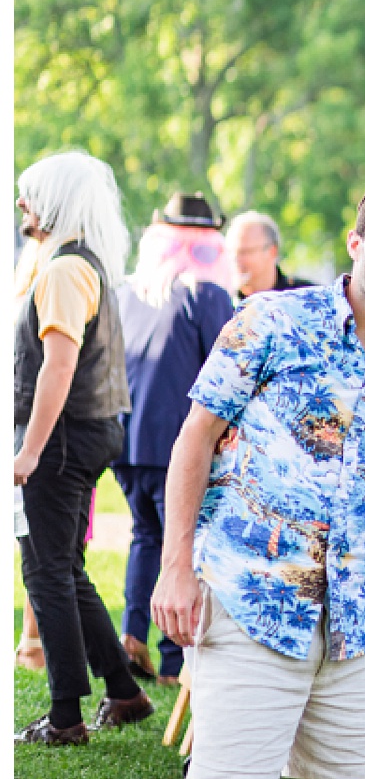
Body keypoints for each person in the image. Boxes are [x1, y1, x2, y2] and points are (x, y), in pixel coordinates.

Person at [150, 182, 365, 779]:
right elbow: (194, 438)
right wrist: (175, 565)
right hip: (250, 598)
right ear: (355, 242)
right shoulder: (272, 319)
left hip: (351, 617)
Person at [13, 151, 150, 746]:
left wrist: (28, 452)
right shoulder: (81, 264)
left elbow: (59, 365)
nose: (22, 203)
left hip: (62, 437)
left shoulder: (66, 269)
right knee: (65, 569)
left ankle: (64, 717)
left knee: (45, 571)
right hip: (87, 433)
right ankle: (124, 693)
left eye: (31, 193)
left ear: (59, 202)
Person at [114, 192, 236, 685]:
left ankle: (132, 636)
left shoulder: (129, 291)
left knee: (145, 536)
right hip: (178, 444)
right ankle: (171, 660)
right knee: (180, 547)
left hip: (127, 440)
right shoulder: (206, 294)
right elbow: (232, 369)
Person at [225, 210, 313, 298]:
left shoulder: (305, 297)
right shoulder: (222, 303)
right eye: (230, 252)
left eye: (245, 252)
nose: (236, 259)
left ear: (272, 251)